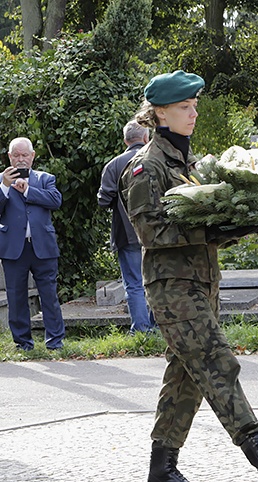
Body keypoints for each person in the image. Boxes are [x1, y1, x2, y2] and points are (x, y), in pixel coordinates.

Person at [121, 70, 258, 482]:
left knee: (186, 376)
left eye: (194, 107)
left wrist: (246, 223)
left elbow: (205, 229)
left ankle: (161, 472)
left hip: (201, 281)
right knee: (216, 362)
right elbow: (151, 231)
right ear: (160, 113)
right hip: (172, 286)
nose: (193, 114)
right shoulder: (145, 166)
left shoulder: (186, 164)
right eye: (184, 108)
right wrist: (216, 227)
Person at [0, 137, 65, 351]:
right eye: (16, 155)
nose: (21, 159)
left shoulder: (45, 178)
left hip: (42, 246)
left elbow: (55, 201)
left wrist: (28, 190)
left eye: (25, 155)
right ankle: (23, 343)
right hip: (13, 248)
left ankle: (55, 341)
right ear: (10, 157)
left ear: (32, 156)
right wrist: (5, 185)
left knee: (48, 294)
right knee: (16, 295)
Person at [98, 121, 155, 334]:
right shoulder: (156, 160)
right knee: (156, 281)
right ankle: (158, 326)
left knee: (133, 283)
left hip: (127, 232)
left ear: (125, 141)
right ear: (146, 138)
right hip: (157, 232)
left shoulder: (113, 165)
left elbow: (104, 201)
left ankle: (141, 330)